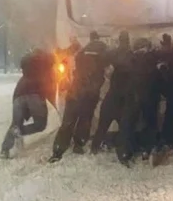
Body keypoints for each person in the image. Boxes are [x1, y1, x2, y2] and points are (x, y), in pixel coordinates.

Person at [49, 31, 107, 162]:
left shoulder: (81, 54)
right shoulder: (102, 54)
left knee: (67, 122)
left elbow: (69, 56)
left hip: (74, 94)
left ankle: (57, 151)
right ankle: (78, 145)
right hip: (88, 96)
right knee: (84, 121)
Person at [90, 31, 137, 166]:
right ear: (127, 41)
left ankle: (94, 148)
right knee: (125, 129)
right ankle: (123, 156)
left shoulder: (113, 53)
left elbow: (101, 58)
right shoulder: (132, 55)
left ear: (119, 41)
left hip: (112, 97)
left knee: (102, 126)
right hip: (124, 99)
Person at [0, 49, 55, 159]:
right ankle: (19, 132)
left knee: (15, 124)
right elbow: (49, 89)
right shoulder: (45, 70)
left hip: (18, 95)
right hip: (35, 96)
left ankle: (5, 149)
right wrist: (56, 104)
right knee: (40, 125)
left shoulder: (25, 72)